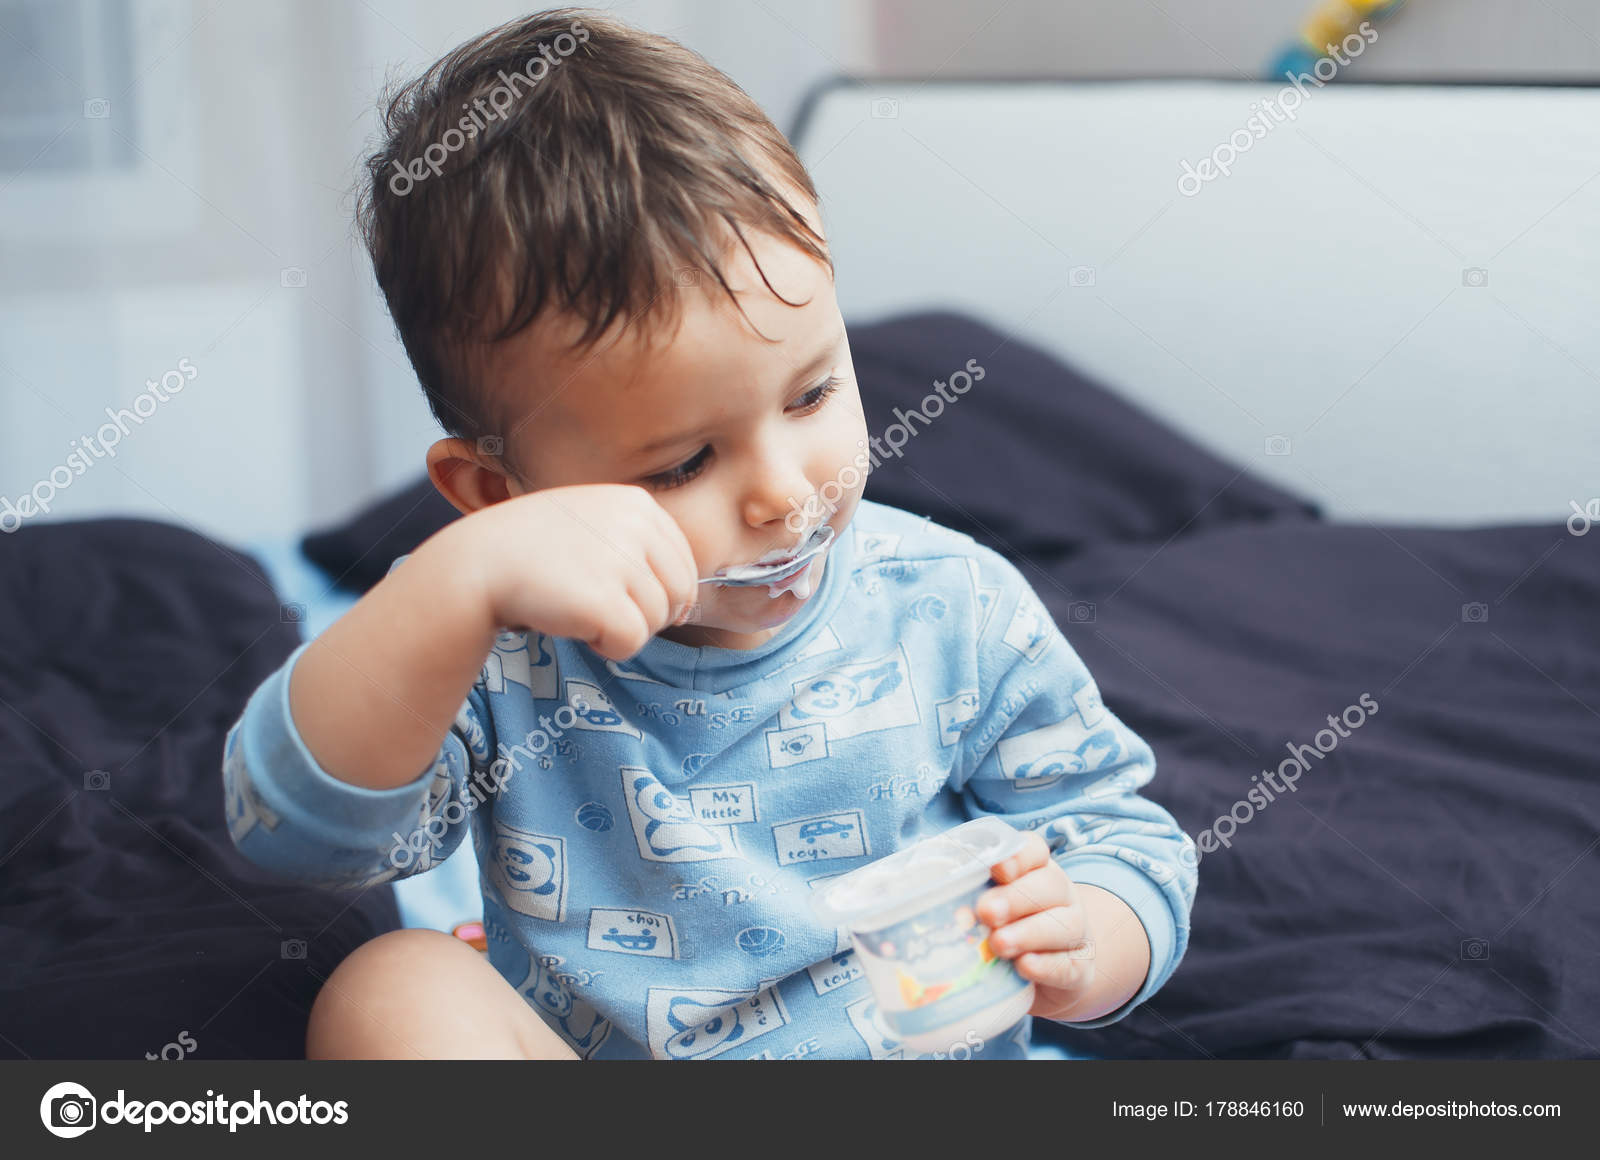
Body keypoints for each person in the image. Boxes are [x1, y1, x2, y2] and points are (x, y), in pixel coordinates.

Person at [222, 7, 1196, 1060]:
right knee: (392, 984)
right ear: (498, 495)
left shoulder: (952, 606)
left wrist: (1090, 938)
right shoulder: (493, 650)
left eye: (814, 389)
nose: (784, 496)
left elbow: (1120, 832)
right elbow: (298, 836)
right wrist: (447, 589)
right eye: (682, 463)